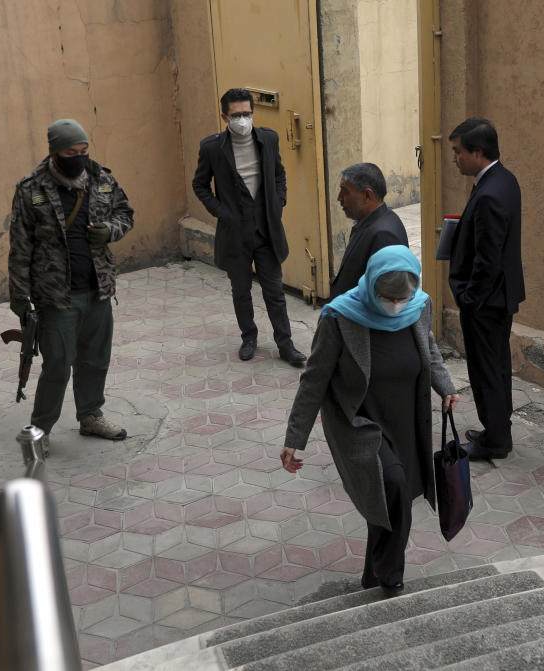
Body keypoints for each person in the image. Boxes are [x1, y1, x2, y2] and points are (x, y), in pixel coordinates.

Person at [280, 246, 459, 594]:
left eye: (402, 298)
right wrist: (294, 437)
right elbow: (314, 379)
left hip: (406, 419)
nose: (396, 305)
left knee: (391, 501)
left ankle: (372, 577)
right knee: (391, 484)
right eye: (388, 297)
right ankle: (392, 579)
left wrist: (446, 386)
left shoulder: (418, 306)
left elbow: (430, 349)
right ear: (371, 286)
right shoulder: (340, 317)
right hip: (360, 423)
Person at [8, 118, 134, 452]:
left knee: (95, 359)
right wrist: (20, 299)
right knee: (57, 366)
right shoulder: (30, 188)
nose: (78, 157)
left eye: (83, 150)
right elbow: (20, 247)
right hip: (56, 296)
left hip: (98, 288)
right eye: (70, 151)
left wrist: (109, 230)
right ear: (54, 151)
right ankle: (41, 427)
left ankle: (91, 415)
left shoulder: (101, 178)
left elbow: (125, 214)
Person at [192, 88, 306, 366]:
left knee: (274, 291)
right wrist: (221, 212)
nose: (243, 120)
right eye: (236, 115)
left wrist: (279, 202)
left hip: (266, 231)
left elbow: (279, 173)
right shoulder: (212, 148)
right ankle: (249, 337)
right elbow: (200, 184)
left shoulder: (268, 139)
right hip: (235, 234)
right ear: (224, 116)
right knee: (241, 290)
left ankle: (285, 345)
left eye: (247, 114)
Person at [447, 117, 524, 460]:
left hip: (486, 303)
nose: (455, 158)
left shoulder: (491, 192)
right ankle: (497, 430)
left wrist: (469, 298)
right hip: (498, 298)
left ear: (478, 152)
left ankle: (495, 441)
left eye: (458, 152)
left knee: (487, 372)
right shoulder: (502, 179)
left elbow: (487, 260)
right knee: (497, 368)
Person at [329, 162, 409, 299]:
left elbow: (389, 301)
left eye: (345, 191)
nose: (339, 198)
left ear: (367, 195)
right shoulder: (369, 222)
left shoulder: (384, 235)